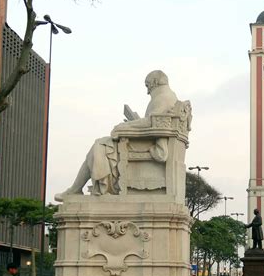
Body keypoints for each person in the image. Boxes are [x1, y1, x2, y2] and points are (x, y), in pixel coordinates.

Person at [55, 70, 178, 200]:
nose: (147, 90)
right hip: (146, 140)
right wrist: (133, 122)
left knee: (100, 146)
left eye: (147, 85)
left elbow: (151, 122)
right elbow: (154, 121)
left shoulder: (162, 97)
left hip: (145, 145)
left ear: (154, 82)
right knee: (100, 144)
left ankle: (80, 189)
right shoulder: (168, 96)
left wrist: (124, 126)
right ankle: (75, 189)